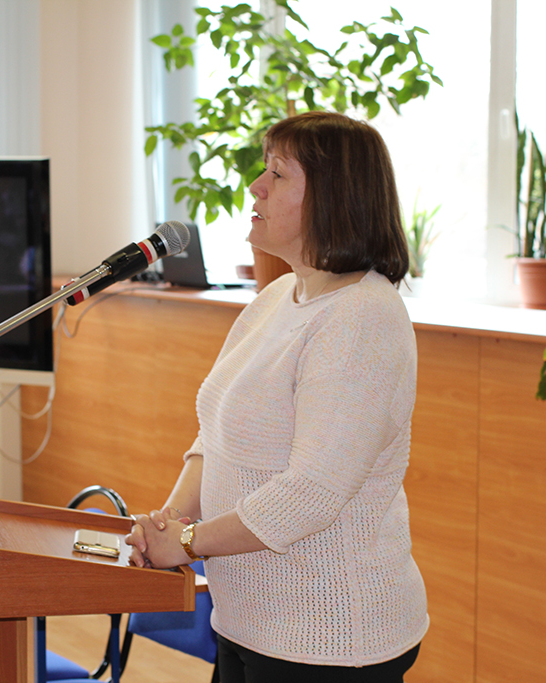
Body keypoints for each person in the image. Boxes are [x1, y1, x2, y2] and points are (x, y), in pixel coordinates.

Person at [126, 111, 428, 682]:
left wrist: (186, 543)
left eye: (278, 174)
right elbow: (213, 437)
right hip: (246, 622)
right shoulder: (278, 296)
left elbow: (311, 493)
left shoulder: (363, 318)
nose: (255, 187)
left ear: (334, 197)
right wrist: (170, 522)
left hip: (329, 639)